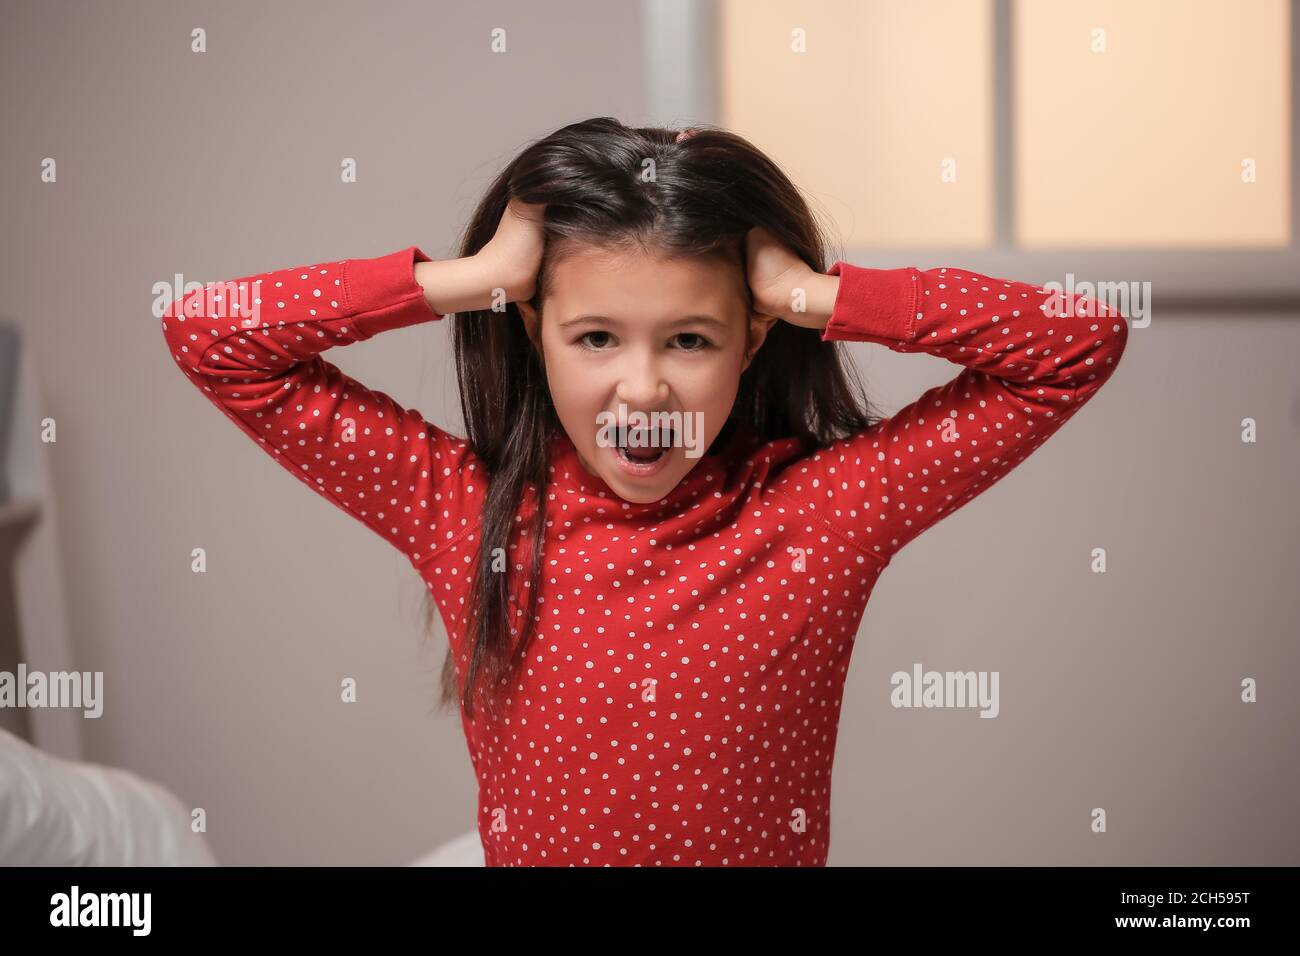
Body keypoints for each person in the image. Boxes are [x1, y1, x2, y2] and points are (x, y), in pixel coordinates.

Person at [161, 117, 1128, 866]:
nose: (643, 387)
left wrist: (817, 297)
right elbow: (209, 335)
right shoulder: (462, 510)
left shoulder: (817, 517)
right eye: (595, 337)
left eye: (691, 339)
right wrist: (474, 278)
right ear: (533, 331)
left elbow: (1078, 345)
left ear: (750, 342)